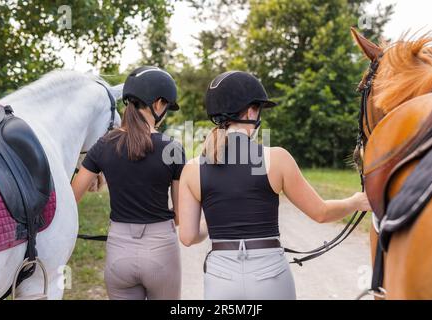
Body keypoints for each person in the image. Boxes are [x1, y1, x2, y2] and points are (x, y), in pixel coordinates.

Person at [178, 71, 371, 300]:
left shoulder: (192, 169)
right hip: (269, 274)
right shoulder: (277, 158)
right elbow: (321, 213)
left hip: (221, 276)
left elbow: (188, 237)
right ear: (250, 111)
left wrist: (218, 218)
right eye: (258, 110)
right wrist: (355, 201)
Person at [72, 66, 186, 300]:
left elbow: (72, 197)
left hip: (118, 252)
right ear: (158, 104)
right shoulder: (172, 148)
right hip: (160, 253)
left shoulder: (103, 145)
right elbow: (180, 216)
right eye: (166, 107)